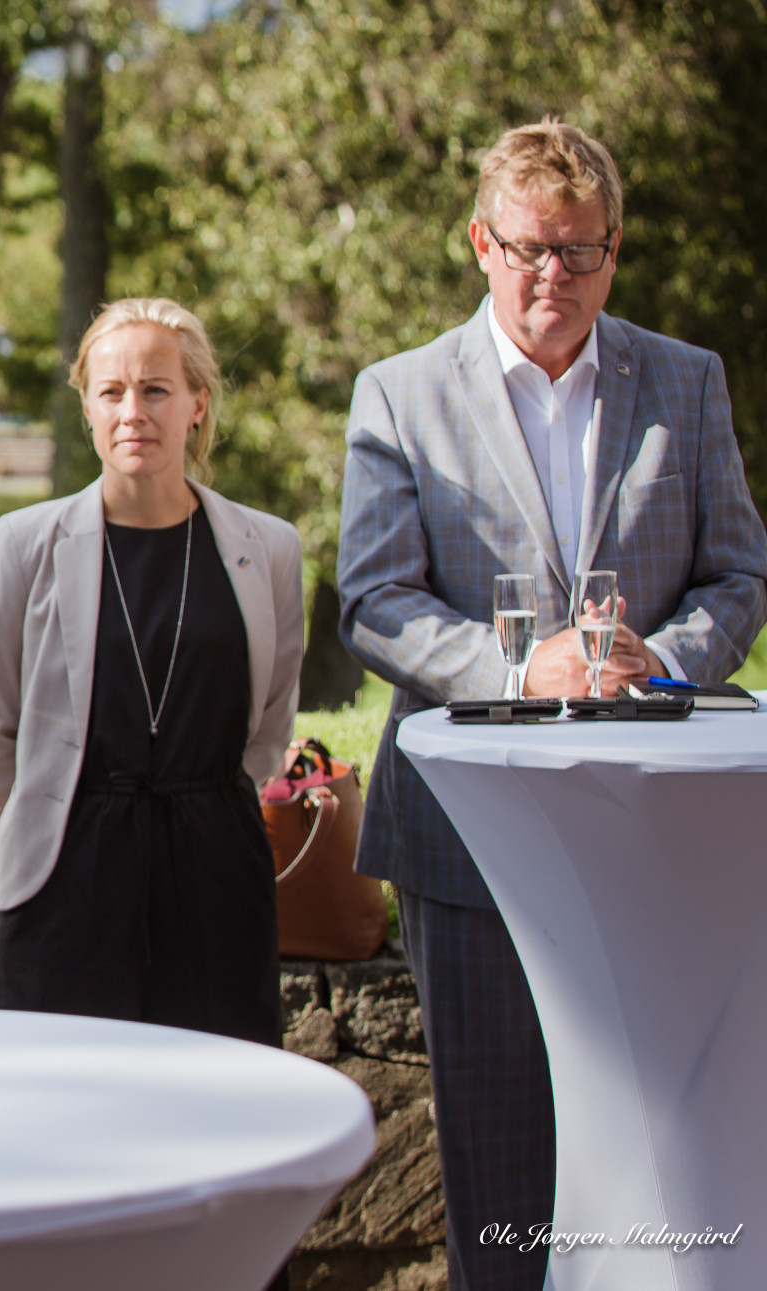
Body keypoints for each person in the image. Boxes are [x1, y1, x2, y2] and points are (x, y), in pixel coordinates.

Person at [340, 118, 767, 1291]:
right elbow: (372, 602)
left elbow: (739, 574)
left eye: (579, 254)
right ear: (480, 243)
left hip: (665, 840)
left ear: (613, 251)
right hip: (468, 843)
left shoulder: (686, 379)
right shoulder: (400, 395)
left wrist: (665, 664)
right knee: (503, 1170)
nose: (552, 279)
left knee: (669, 1157)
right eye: (529, 249)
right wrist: (519, 671)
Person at [0, 298, 304, 1046]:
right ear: (87, 406)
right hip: (65, 867)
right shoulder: (24, 543)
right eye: (111, 391)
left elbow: (270, 721)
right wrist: (42, 814)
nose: (133, 411)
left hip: (218, 861)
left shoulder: (268, 547)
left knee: (222, 1104)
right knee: (63, 1106)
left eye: (156, 388)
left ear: (197, 404)